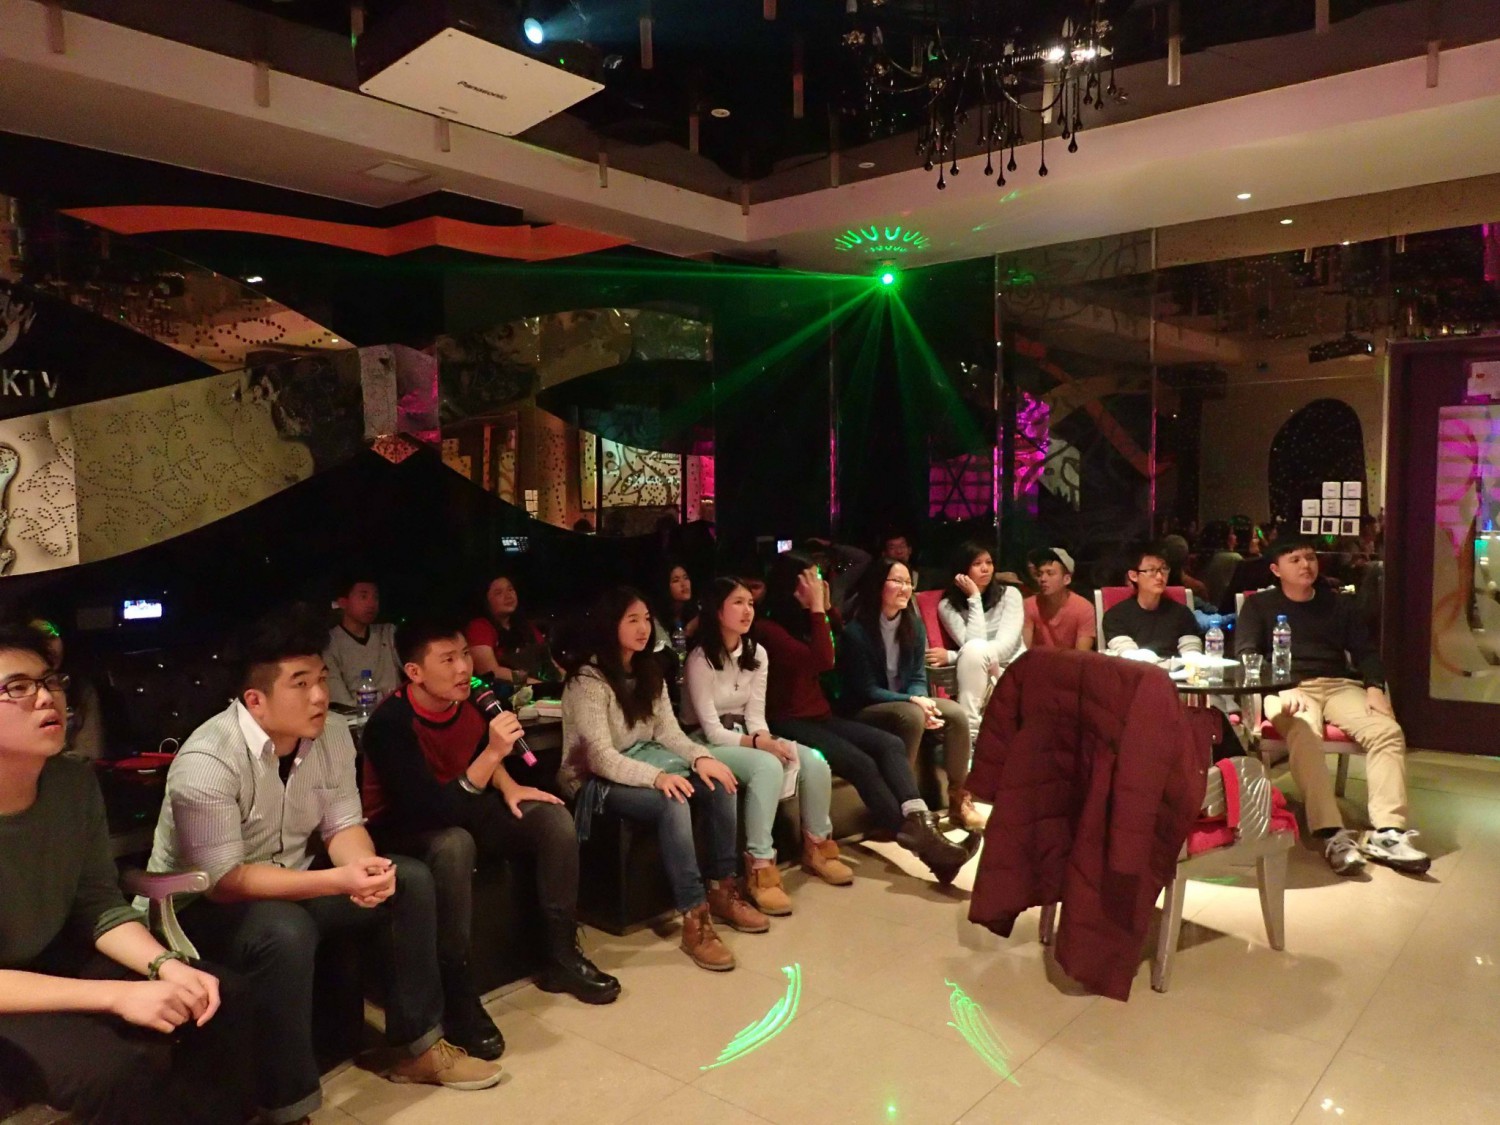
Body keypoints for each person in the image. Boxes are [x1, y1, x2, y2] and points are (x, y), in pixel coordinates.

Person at [147, 606, 499, 1124]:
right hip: (195, 909)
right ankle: (287, 1106)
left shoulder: (331, 733)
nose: (318, 695)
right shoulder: (209, 760)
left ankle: (417, 1048)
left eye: (321, 678)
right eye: (300, 683)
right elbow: (224, 882)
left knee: (407, 880)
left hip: (289, 881)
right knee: (284, 930)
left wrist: (365, 871)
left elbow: (342, 826)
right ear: (255, 700)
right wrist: (335, 879)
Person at [0, 620, 252, 1125]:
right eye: (18, 688)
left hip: (52, 960)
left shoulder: (72, 783)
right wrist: (119, 996)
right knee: (113, 1072)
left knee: (216, 996)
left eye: (49, 682)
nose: (46, 698)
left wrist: (167, 966)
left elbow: (98, 904)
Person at [360, 621, 620, 1060]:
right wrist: (494, 753)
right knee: (454, 844)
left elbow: (475, 753)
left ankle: (560, 955)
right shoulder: (390, 723)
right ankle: (458, 993)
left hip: (462, 805)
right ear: (414, 673)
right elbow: (431, 809)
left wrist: (508, 783)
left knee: (551, 819)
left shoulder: (470, 701)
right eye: (448, 660)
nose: (464, 668)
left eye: (465, 654)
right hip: (404, 826)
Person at [560, 588, 765, 971]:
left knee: (720, 782)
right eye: (632, 620)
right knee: (673, 799)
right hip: (595, 782)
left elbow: (669, 733)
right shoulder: (587, 681)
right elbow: (599, 757)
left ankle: (723, 889)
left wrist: (702, 758)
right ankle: (695, 917)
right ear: (610, 625)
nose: (643, 628)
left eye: (646, 619)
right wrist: (656, 777)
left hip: (641, 762)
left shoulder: (648, 671)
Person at [757, 553, 973, 881]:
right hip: (787, 720)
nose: (817, 586)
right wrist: (817, 610)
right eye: (809, 580)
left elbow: (837, 637)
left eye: (818, 580)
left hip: (820, 715)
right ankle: (931, 847)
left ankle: (924, 829)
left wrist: (825, 607)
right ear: (789, 586)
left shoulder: (805, 621)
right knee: (861, 763)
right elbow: (823, 660)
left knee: (889, 744)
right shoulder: (768, 629)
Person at [1235, 538, 1427, 875]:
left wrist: (1374, 687)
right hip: (1286, 688)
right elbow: (1247, 654)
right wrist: (1282, 686)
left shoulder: (1338, 604)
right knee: (1304, 734)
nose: (1305, 565)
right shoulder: (1259, 606)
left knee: (1387, 732)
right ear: (1276, 569)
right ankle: (1331, 833)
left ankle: (1388, 832)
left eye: (1310, 557)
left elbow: (1366, 652)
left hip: (1339, 685)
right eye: (1295, 559)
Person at [682, 578, 852, 915]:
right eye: (737, 603)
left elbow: (756, 715)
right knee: (766, 765)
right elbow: (712, 731)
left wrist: (767, 739)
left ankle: (818, 845)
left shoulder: (756, 653)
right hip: (704, 742)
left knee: (814, 761)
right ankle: (760, 866)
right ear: (717, 611)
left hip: (746, 733)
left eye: (750, 603)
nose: (747, 610)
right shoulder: (700, 659)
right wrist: (759, 744)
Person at [838, 557, 986, 836]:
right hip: (866, 707)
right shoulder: (856, 632)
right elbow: (865, 689)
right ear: (878, 586)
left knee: (955, 713)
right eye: (898, 581)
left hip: (906, 702)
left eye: (908, 582)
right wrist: (913, 702)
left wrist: (922, 700)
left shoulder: (913, 626)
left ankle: (958, 798)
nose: (905, 588)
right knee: (911, 715)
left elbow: (918, 677)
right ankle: (900, 805)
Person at [931, 541, 1026, 747]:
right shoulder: (948, 606)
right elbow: (973, 644)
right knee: (975, 649)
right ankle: (972, 737)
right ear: (962, 569)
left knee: (975, 650)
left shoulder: (1010, 595)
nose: (985, 569)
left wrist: (952, 656)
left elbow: (1004, 648)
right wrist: (974, 598)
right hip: (977, 673)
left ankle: (969, 735)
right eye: (977, 564)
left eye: (989, 562)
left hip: (1012, 669)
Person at [1101, 543, 1204, 661]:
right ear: (1133, 575)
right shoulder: (1116, 616)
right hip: (1139, 670)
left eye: (1163, 569)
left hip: (1178, 671)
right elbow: (1128, 656)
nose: (1160, 577)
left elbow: (1192, 655)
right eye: (1151, 570)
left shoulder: (1182, 613)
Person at [322, 575, 402, 708]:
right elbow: (339, 699)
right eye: (363, 597)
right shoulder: (330, 643)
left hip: (396, 710)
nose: (371, 604)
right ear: (343, 602)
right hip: (355, 715)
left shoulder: (387, 633)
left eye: (375, 597)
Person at [32, 619, 105, 760]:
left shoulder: (80, 689)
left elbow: (89, 750)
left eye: (52, 636)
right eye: (39, 637)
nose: (49, 646)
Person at [466, 573, 546, 688]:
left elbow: (549, 661)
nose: (509, 596)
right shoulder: (479, 627)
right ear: (486, 600)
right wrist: (537, 684)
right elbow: (490, 671)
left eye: (510, 589)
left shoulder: (526, 626)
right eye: (499, 593)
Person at [1022, 548, 1096, 651]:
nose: (1043, 579)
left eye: (1050, 573)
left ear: (1066, 579)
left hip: (1071, 661)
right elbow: (1023, 651)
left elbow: (1081, 655)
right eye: (1039, 574)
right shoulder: (1029, 605)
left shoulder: (1084, 609)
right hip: (1038, 660)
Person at [651, 561, 701, 655]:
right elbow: (668, 653)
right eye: (676, 580)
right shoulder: (656, 619)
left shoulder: (697, 611)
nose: (684, 584)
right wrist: (687, 632)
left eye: (686, 578)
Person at [1198, 522, 1244, 608]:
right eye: (1232, 533)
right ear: (1225, 538)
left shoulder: (1203, 557)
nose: (1235, 537)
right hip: (1228, 607)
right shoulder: (1234, 558)